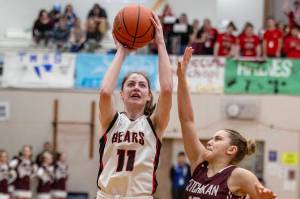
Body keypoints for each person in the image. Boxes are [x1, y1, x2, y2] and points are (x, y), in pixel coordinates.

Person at [176, 47, 277, 199]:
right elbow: (187, 121)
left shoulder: (240, 175)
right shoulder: (199, 163)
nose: (210, 141)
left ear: (231, 149)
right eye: (212, 138)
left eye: (218, 139)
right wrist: (182, 78)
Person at [97, 11, 172, 199]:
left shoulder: (154, 124)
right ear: (121, 94)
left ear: (148, 96)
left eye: (142, 85)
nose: (136, 88)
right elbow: (105, 92)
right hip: (106, 195)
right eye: (130, 84)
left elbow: (168, 89)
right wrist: (121, 52)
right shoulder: (111, 121)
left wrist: (161, 43)